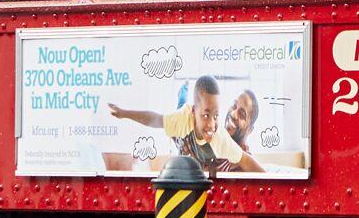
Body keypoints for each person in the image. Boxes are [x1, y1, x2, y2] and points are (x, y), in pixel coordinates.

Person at [106, 76, 261, 179]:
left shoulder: (221, 138)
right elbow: (155, 119)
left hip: (196, 149)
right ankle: (183, 95)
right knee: (179, 112)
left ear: (250, 129)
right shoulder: (185, 119)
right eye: (234, 106)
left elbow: (246, 160)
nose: (212, 124)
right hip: (186, 135)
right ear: (195, 112)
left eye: (242, 114)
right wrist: (124, 113)